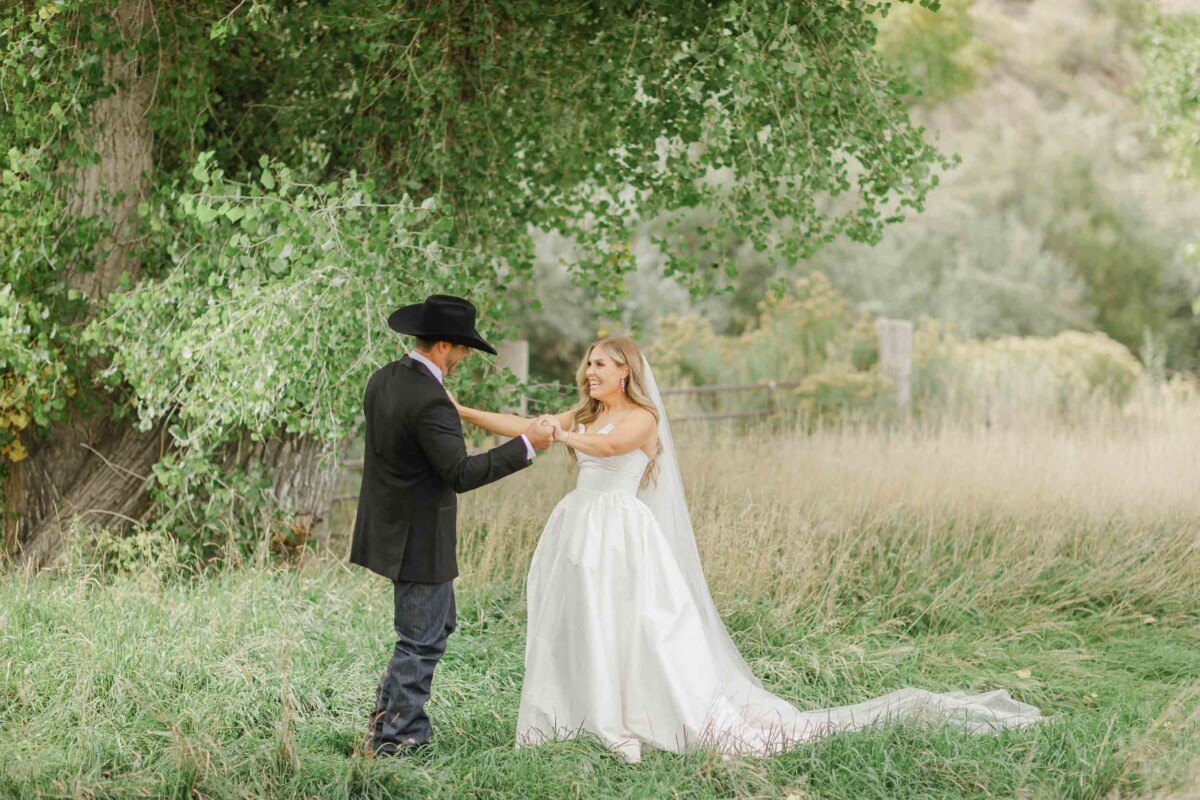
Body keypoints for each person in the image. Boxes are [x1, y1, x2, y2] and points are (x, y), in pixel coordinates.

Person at [455, 335, 1044, 762]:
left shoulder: (641, 419)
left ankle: (628, 715)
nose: (589, 372)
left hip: (621, 534)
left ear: (626, 373)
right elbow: (521, 424)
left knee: (634, 628)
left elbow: (607, 452)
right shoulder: (585, 414)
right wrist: (458, 410)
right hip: (578, 528)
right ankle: (575, 713)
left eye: (601, 365)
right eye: (587, 364)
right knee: (580, 622)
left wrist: (559, 434)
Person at [349, 294, 556, 757]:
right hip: (418, 537)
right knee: (420, 642)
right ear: (443, 345)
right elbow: (459, 473)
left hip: (390, 527)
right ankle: (397, 741)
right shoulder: (431, 400)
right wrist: (526, 444)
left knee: (434, 629)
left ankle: (386, 725)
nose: (464, 357)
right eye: (462, 348)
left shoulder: (383, 379)